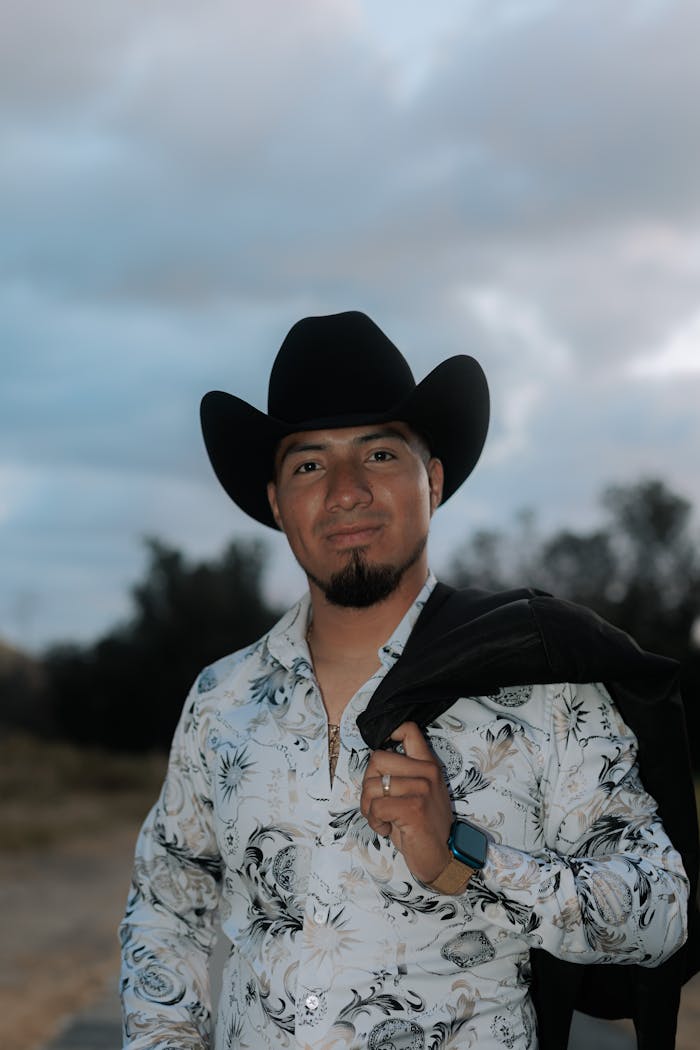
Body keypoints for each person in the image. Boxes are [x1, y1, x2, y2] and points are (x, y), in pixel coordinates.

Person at [120, 311, 690, 1050]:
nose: (347, 490)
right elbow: (170, 899)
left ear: (435, 480)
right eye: (308, 464)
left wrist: (464, 857)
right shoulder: (221, 700)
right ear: (275, 503)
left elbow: (661, 914)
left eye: (381, 454)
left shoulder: (544, 688)